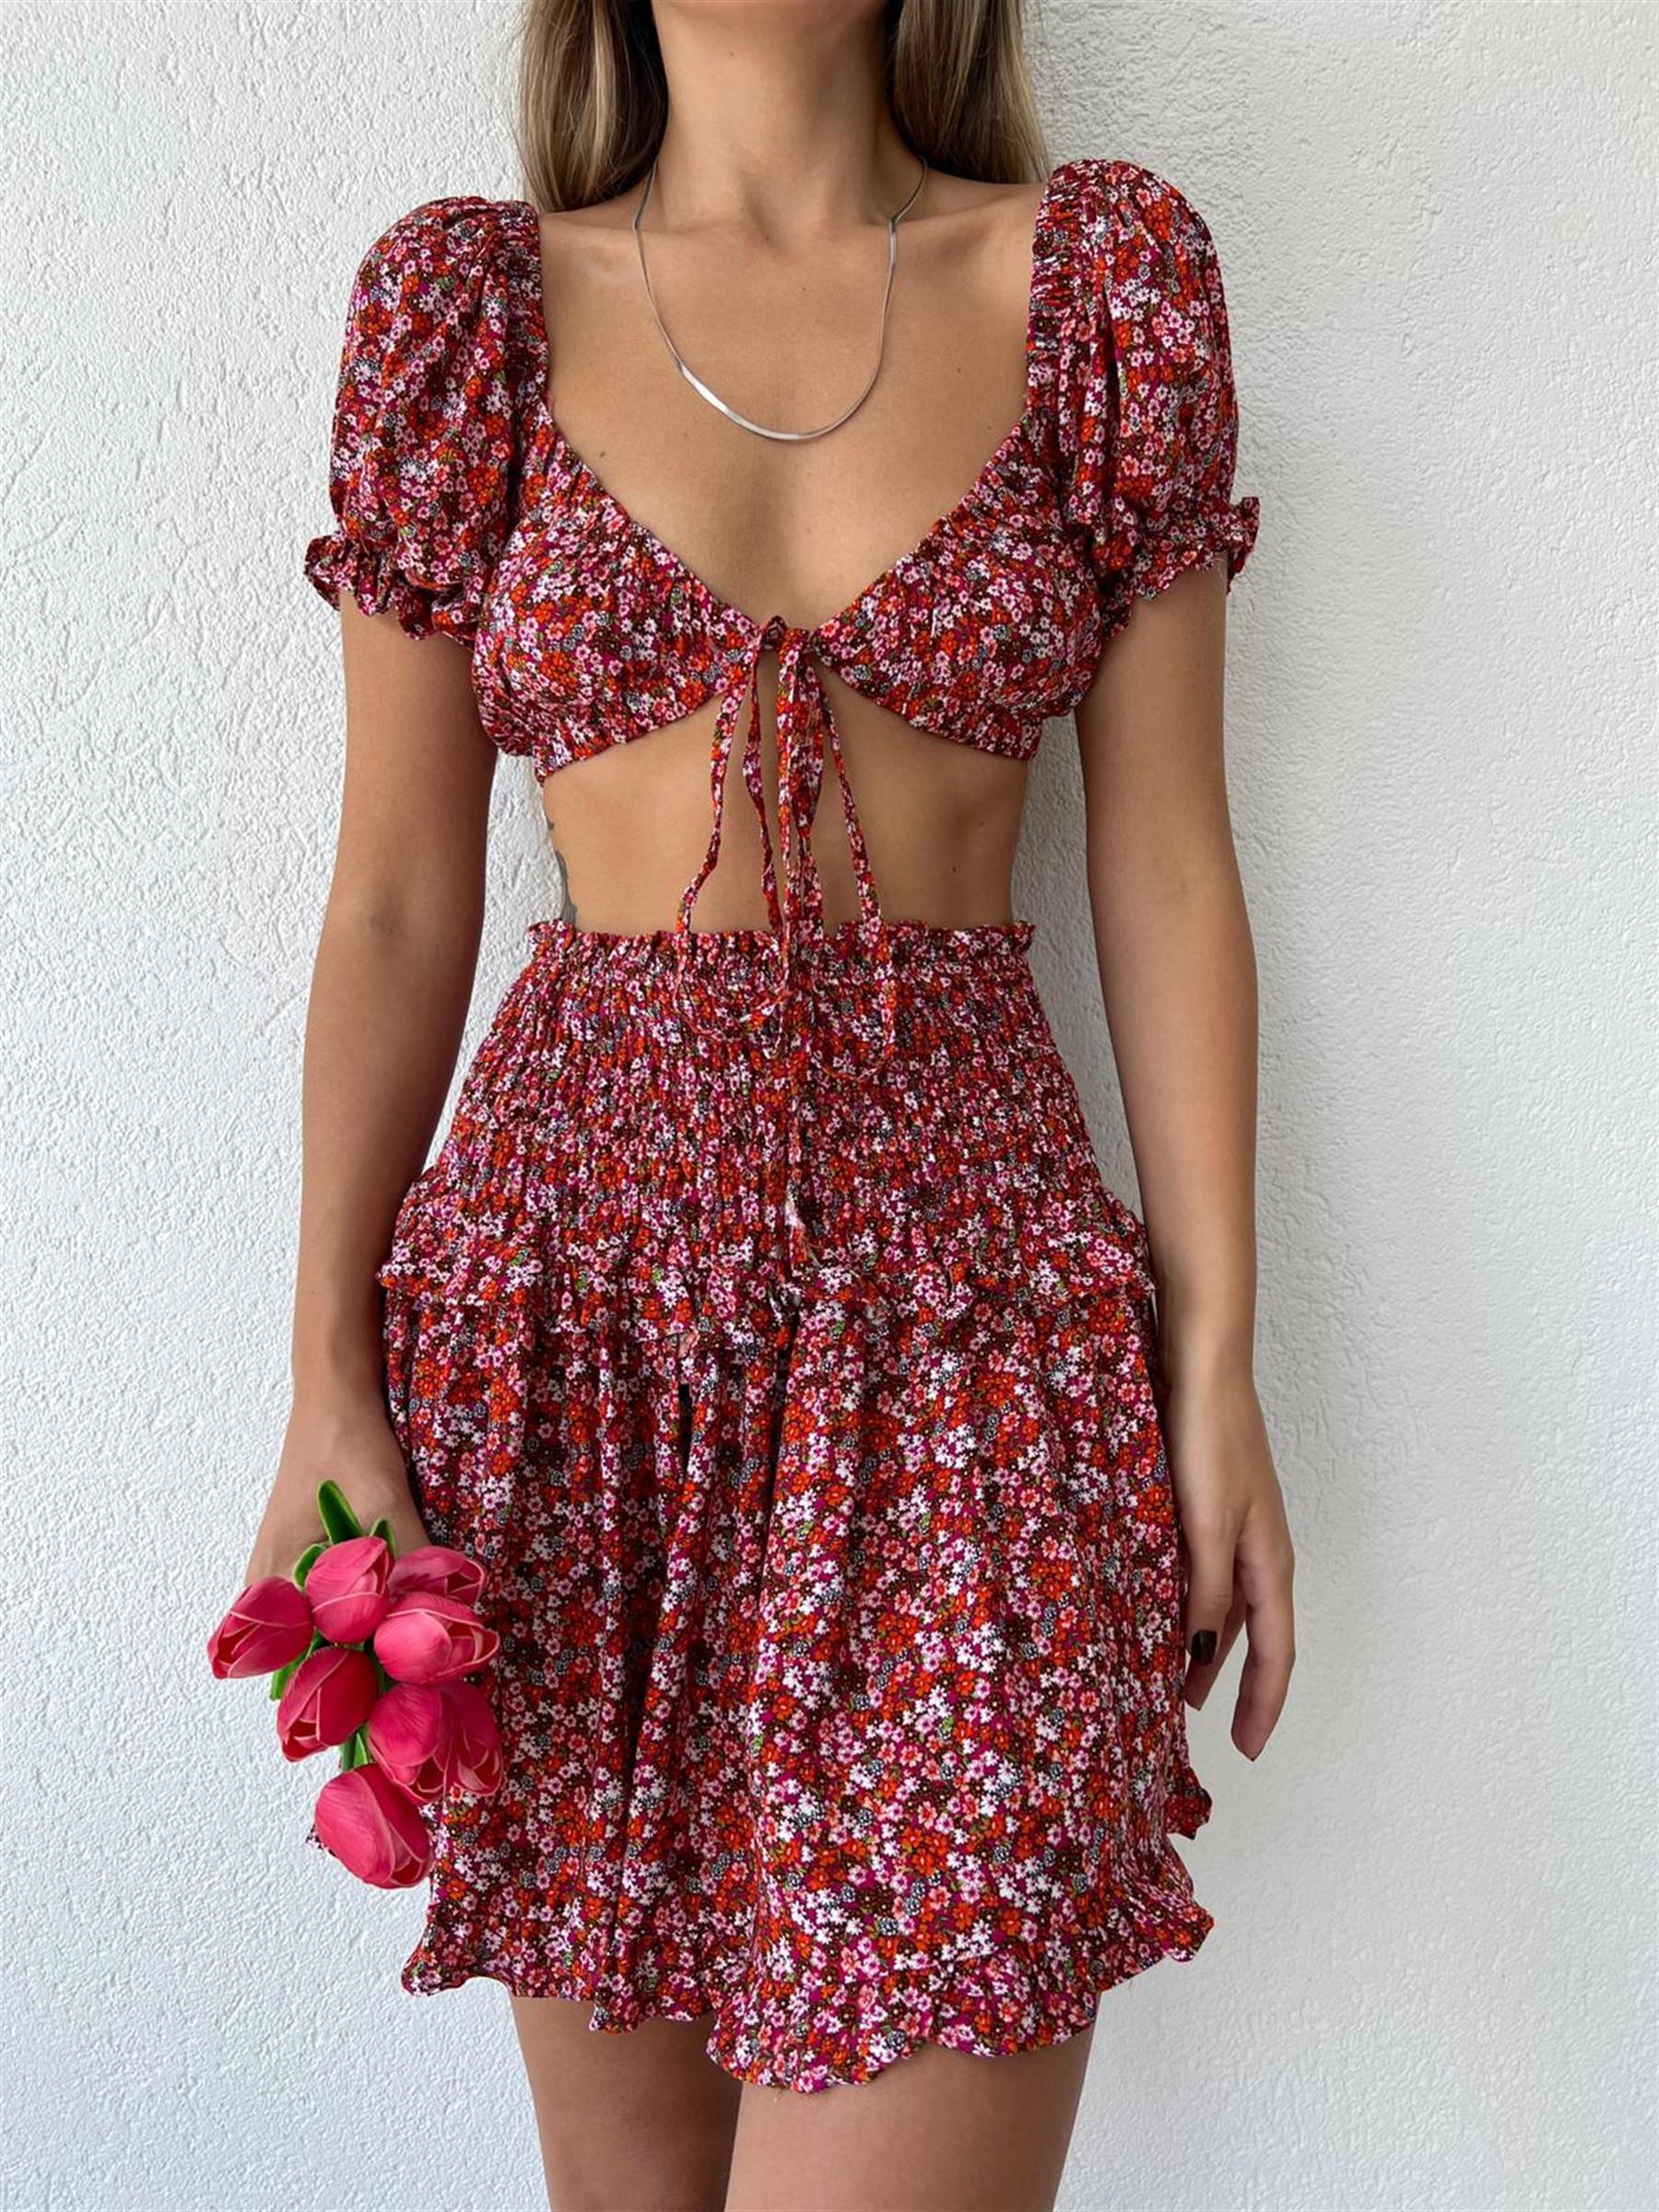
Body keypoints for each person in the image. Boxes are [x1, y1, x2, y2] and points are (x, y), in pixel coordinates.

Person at [243, 1, 1296, 2204]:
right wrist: (326, 1376)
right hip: (567, 1362)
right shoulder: (464, 314)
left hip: (972, 1358)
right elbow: (397, 903)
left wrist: (1217, 1364)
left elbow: (1170, 867)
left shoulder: (1102, 286)